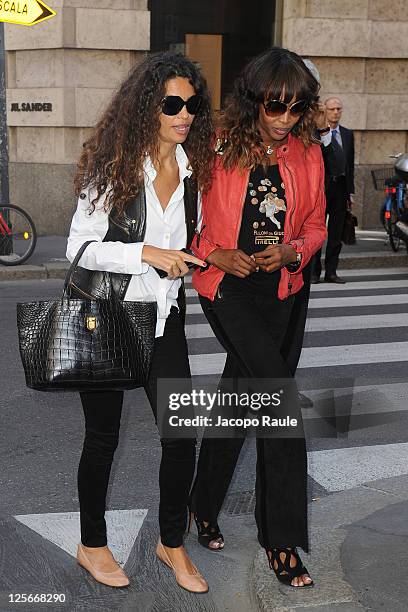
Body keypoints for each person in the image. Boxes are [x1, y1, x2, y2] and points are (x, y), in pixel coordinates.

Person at [66, 51, 214, 593]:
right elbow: (80, 249)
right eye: (172, 103)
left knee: (182, 436)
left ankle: (170, 541)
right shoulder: (115, 168)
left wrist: (198, 256)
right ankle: (92, 543)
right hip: (107, 314)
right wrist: (146, 253)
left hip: (164, 315)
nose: (185, 114)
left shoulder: (194, 169)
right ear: (147, 106)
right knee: (102, 437)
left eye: (192, 104)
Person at [189, 47, 327, 588]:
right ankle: (282, 540)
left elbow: (316, 222)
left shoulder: (307, 153)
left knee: (239, 396)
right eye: (274, 107)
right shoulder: (215, 148)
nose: (284, 120)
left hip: (285, 288)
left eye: (294, 110)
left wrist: (295, 250)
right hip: (229, 287)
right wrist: (213, 252)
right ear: (254, 102)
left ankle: (203, 504)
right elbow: (182, 222)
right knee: (278, 404)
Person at [311, 97, 355, 283]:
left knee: (336, 233)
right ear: (325, 111)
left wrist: (349, 193)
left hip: (340, 189)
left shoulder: (347, 134)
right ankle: (314, 273)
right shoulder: (316, 133)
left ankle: (331, 271)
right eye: (331, 109)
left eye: (338, 109)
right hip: (322, 189)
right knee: (317, 232)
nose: (335, 112)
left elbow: (350, 165)